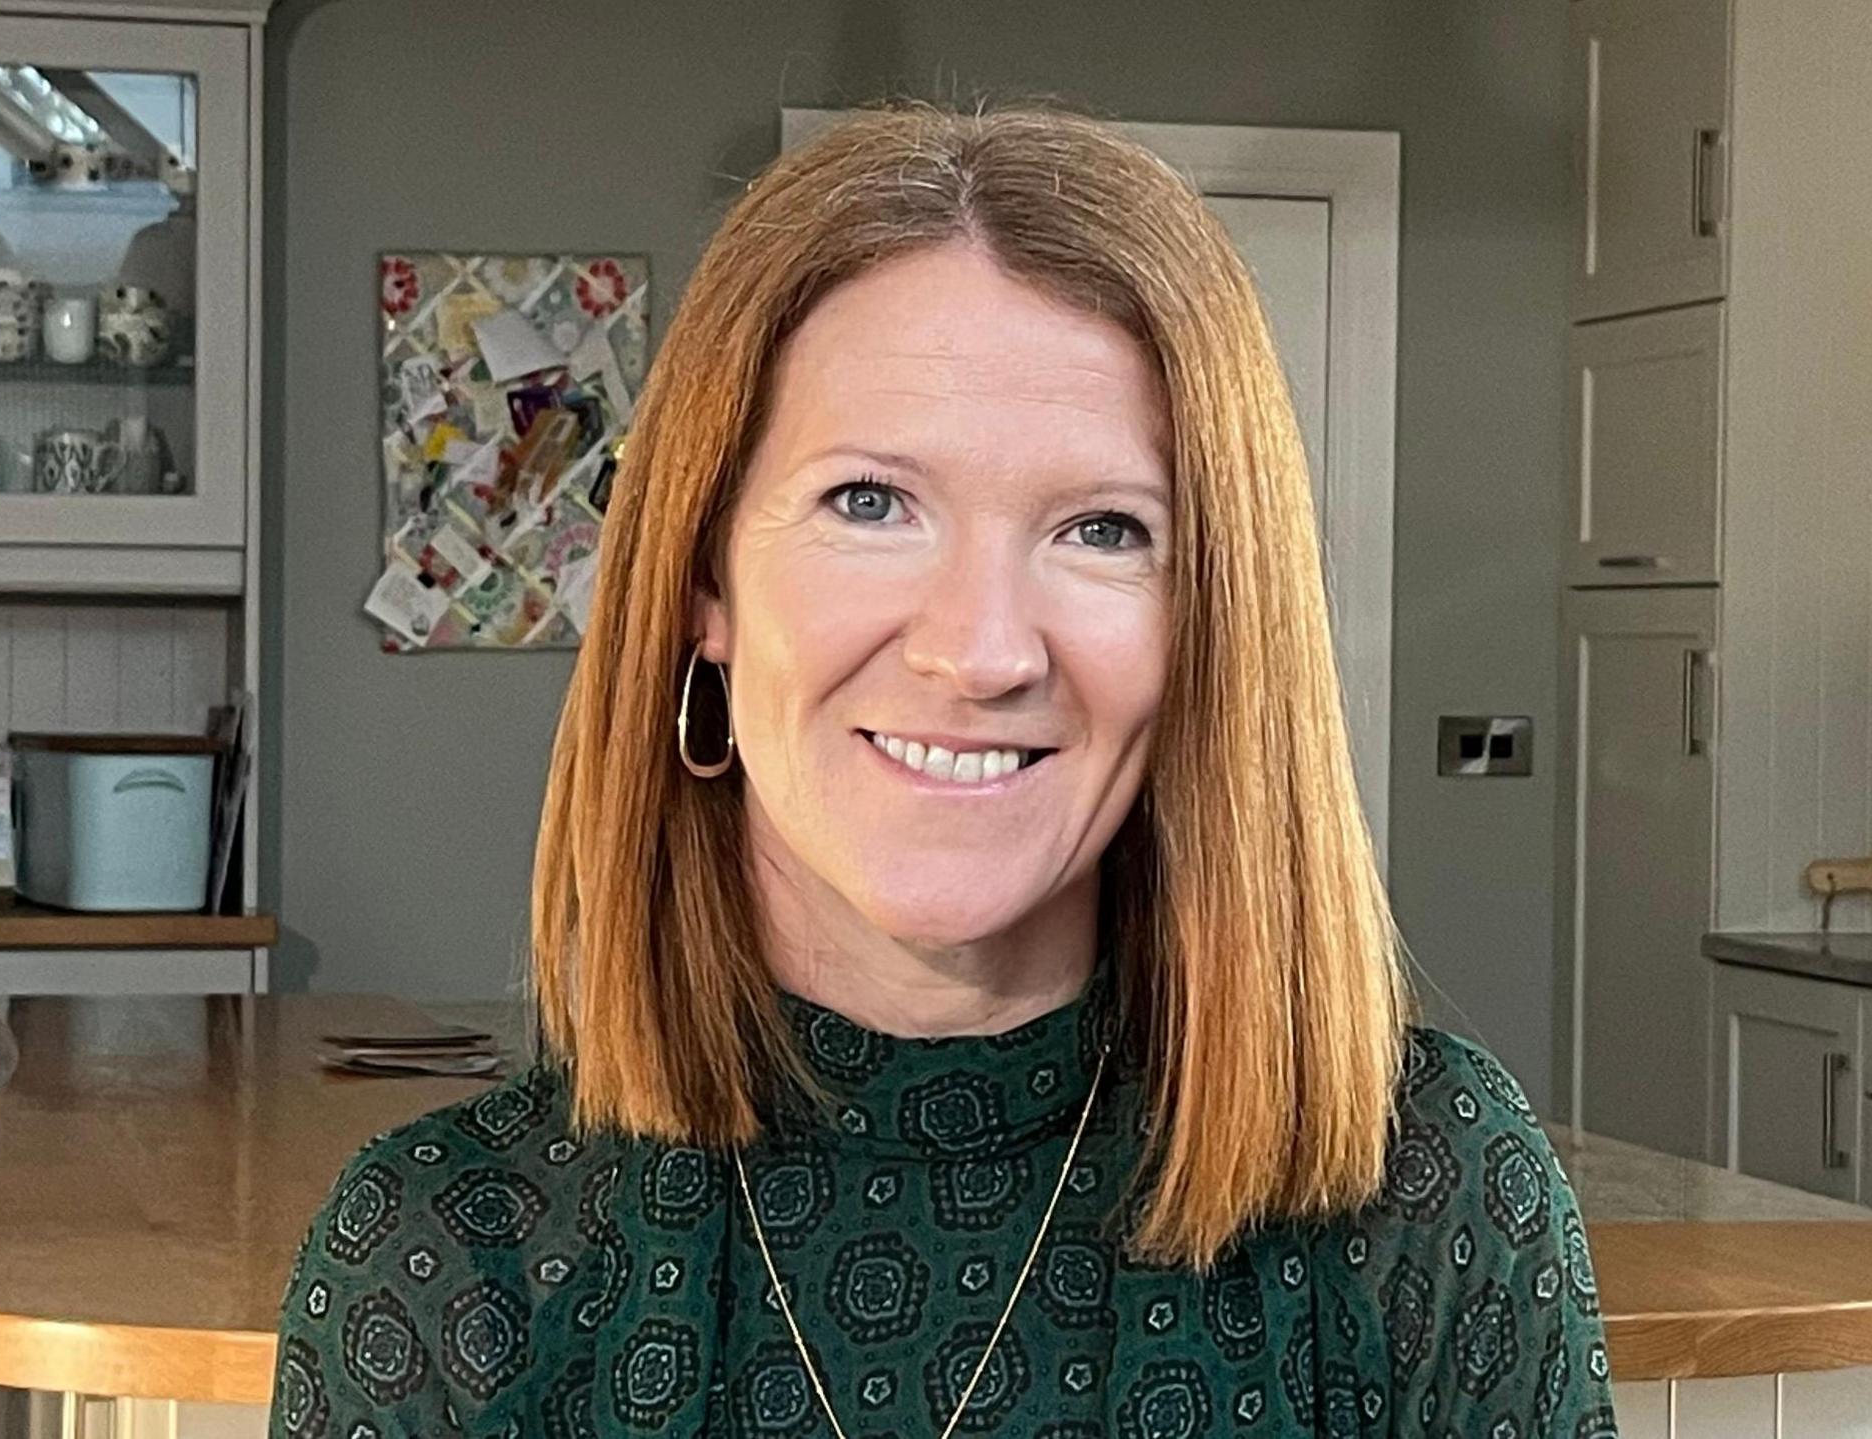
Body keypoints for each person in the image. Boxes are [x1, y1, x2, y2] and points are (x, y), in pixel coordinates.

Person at [274, 102, 1617, 1439]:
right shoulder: (449, 1260)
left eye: (1102, 529)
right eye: (870, 503)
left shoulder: (1432, 1196)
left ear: (1212, 620)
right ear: (705, 584)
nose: (979, 652)